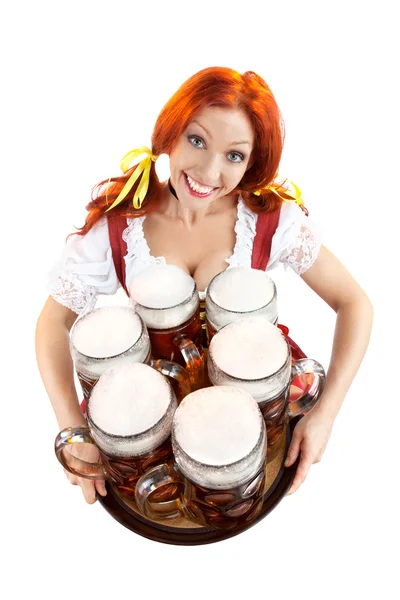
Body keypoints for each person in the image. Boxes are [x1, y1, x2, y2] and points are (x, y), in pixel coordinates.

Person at [35, 66, 373, 504]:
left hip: (251, 416)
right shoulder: (122, 223)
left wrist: (326, 414)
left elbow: (355, 303)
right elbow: (51, 324)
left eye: (234, 155)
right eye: (197, 140)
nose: (209, 172)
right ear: (170, 135)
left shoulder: (268, 218)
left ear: (252, 163)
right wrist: (71, 426)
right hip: (153, 419)